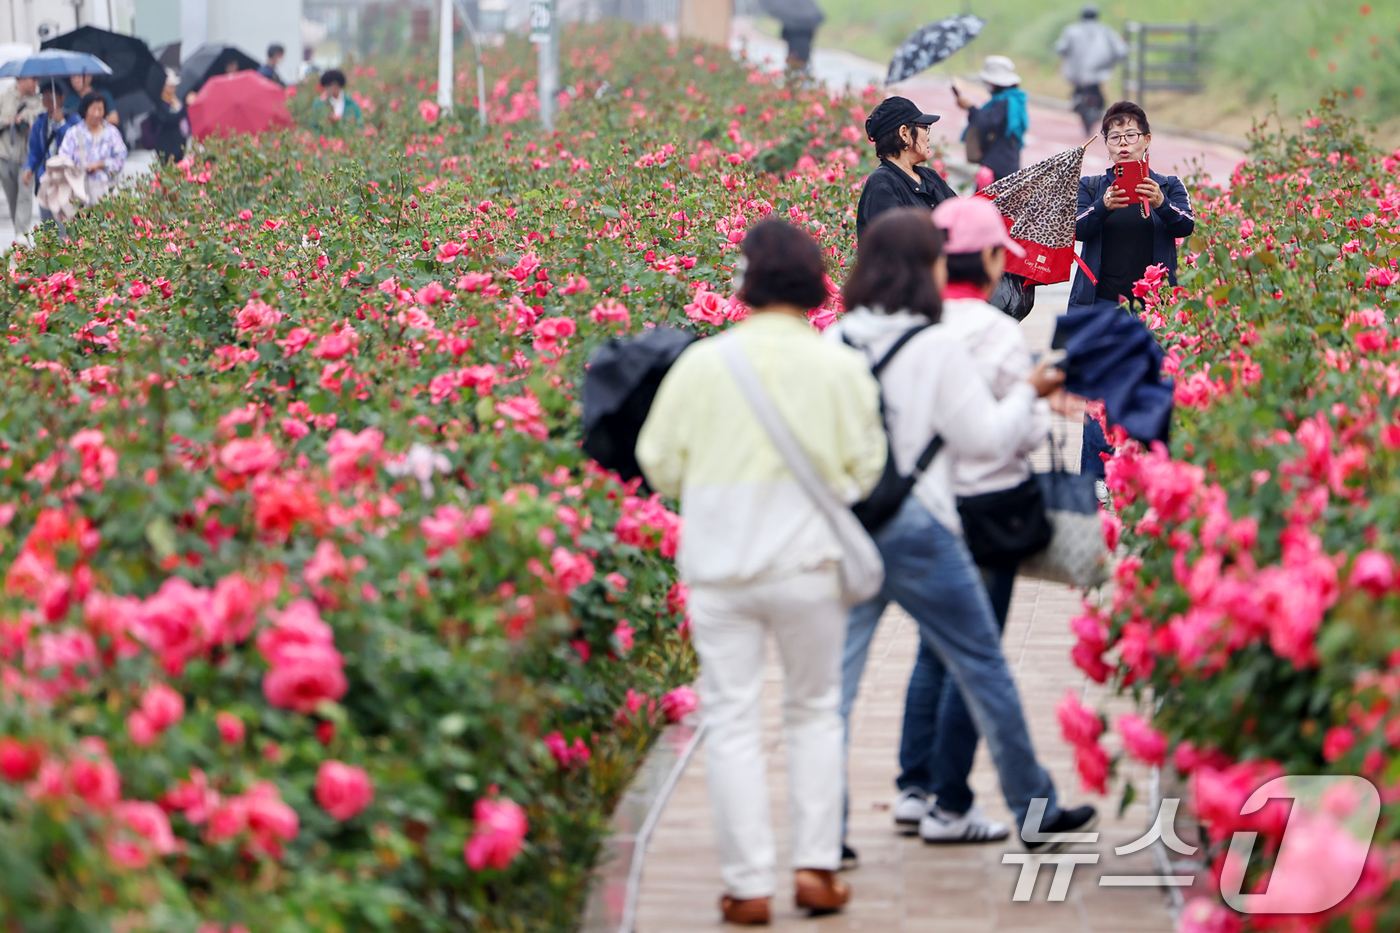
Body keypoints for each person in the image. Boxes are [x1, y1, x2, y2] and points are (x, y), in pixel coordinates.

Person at [636, 220, 886, 926]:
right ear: (814, 281)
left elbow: (660, 462)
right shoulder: (838, 364)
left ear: (745, 281)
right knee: (812, 712)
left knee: (733, 718)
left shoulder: (705, 364)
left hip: (721, 566)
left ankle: (746, 884)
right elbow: (868, 469)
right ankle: (815, 867)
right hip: (809, 564)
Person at [831, 207, 1097, 868]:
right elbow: (987, 436)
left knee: (832, 687)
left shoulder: (841, 337)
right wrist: (1033, 394)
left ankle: (834, 826)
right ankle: (1015, 806)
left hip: (856, 522)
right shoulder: (944, 340)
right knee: (980, 662)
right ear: (992, 261)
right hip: (933, 520)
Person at [887, 196, 1052, 843]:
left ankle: (912, 785)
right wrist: (1036, 407)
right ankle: (949, 802)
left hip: (930, 506)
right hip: (991, 512)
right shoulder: (995, 331)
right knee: (975, 655)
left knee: (934, 649)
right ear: (988, 259)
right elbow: (1025, 427)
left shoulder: (918, 327)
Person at [1071, 101, 1194, 478]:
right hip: (1103, 305)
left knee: (1155, 391)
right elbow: (1076, 229)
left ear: (1146, 141)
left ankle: (1152, 475)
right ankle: (1094, 479)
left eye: (1131, 135)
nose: (1123, 143)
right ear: (1106, 144)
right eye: (1114, 137)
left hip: (1154, 309)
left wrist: (1161, 205)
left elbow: (1185, 226)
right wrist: (1104, 207)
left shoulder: (1169, 186)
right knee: (1100, 397)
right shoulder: (1092, 187)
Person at [854, 96, 955, 242]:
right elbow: (899, 247)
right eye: (925, 128)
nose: (927, 137)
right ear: (904, 134)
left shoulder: (930, 177)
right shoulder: (882, 185)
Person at [953, 56, 1028, 187]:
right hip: (1006, 162)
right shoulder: (1012, 99)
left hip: (998, 165)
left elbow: (985, 123)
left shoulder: (1004, 102)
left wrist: (971, 107)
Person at [1055, 4, 1129, 137]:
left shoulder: (1071, 30)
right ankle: (1096, 110)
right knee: (1100, 97)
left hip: (1076, 73)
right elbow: (1120, 49)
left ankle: (1077, 103)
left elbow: (1061, 47)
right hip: (1098, 73)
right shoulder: (1105, 30)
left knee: (1076, 93)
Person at [22, 83, 81, 227]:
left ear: (62, 98)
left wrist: (61, 123)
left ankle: (66, 247)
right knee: (47, 219)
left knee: (66, 218)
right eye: (45, 96)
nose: (48, 99)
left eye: (52, 95)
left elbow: (76, 143)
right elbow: (35, 150)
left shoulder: (72, 119)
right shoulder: (40, 122)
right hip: (46, 177)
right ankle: (48, 247)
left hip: (66, 177)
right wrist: (29, 168)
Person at [58, 92, 128, 205]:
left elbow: (120, 158)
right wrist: (74, 167)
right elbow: (63, 157)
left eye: (100, 110)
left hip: (106, 191)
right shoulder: (74, 133)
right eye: (93, 109)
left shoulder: (112, 133)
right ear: (85, 110)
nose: (97, 114)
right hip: (80, 191)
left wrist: (102, 164)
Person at [0, 76, 41, 233]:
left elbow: (39, 120)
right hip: (5, 155)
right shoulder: (4, 97)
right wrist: (9, 121)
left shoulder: (38, 100)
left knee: (25, 196)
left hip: (27, 156)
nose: (36, 84)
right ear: (21, 79)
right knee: (12, 198)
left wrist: (27, 122)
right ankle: (19, 231)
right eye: (33, 80)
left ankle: (21, 235)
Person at [142, 72, 189, 163]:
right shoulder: (159, 104)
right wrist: (184, 108)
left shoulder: (175, 102)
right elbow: (171, 119)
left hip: (178, 146)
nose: (173, 88)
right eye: (170, 86)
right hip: (166, 148)